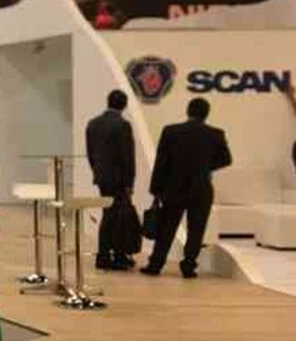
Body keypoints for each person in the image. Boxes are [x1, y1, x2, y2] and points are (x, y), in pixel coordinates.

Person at [143, 98, 232, 278]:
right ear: (206, 114)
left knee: (167, 229)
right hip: (201, 189)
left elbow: (161, 162)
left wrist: (156, 189)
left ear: (188, 111)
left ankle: (156, 264)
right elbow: (226, 159)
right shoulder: (215, 134)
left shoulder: (171, 132)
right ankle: (189, 266)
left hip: (174, 188)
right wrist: (205, 167)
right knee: (196, 229)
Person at [85, 90, 137, 270]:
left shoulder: (93, 124)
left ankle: (108, 255)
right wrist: (130, 183)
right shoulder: (123, 125)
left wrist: (97, 172)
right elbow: (127, 157)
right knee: (117, 218)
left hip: (102, 178)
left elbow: (90, 153)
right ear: (124, 105)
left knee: (109, 215)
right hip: (119, 179)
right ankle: (113, 256)